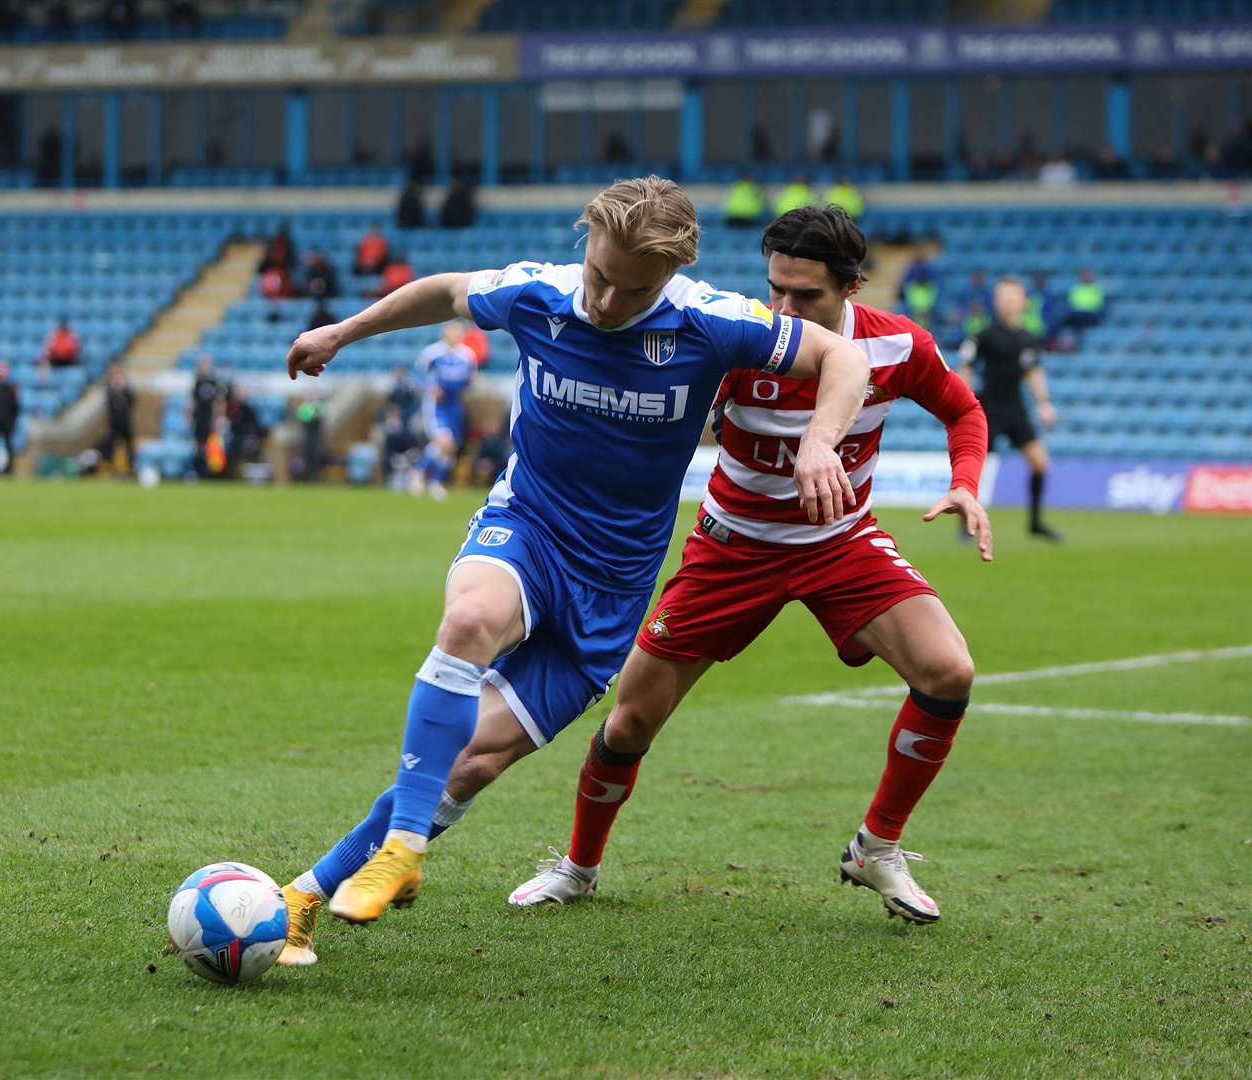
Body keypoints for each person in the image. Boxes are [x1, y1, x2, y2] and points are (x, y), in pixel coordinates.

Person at [273, 176, 869, 965]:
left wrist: (821, 439)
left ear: (671, 275)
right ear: (584, 246)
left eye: (634, 288)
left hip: (611, 589)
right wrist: (341, 333)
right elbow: (445, 293)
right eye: (599, 276)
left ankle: (308, 892)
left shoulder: (711, 321)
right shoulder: (539, 294)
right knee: (470, 620)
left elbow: (843, 356)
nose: (610, 301)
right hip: (529, 527)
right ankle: (406, 848)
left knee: (470, 760)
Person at [503, 206, 990, 924]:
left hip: (841, 543)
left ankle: (876, 847)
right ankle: (578, 865)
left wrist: (965, 481)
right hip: (731, 549)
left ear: (852, 288)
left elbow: (963, 411)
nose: (784, 308)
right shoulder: (739, 337)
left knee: (949, 672)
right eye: (776, 291)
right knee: (632, 721)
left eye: (806, 297)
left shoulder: (896, 347)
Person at [958, 277, 1062, 541]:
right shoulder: (984, 335)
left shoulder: (1028, 338)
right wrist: (962, 402)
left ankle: (1035, 522)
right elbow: (967, 367)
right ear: (996, 302)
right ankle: (965, 525)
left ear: (1024, 302)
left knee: (1040, 463)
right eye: (1004, 298)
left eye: (1013, 298)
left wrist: (1044, 404)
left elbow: (1034, 371)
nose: (1008, 303)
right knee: (975, 469)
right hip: (988, 407)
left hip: (1015, 408)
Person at [410, 321, 477, 501]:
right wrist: (430, 388)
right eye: (451, 331)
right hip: (436, 405)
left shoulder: (467, 355)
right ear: (444, 333)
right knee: (444, 442)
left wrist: (470, 384)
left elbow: (469, 380)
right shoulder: (432, 353)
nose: (454, 335)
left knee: (450, 447)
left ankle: (429, 479)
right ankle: (422, 474)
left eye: (458, 332)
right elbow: (417, 374)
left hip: (455, 405)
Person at [190, 354, 223, 477]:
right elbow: (193, 401)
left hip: (210, 419)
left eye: (206, 365)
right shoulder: (197, 382)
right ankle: (198, 471)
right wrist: (189, 415)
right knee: (198, 446)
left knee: (211, 447)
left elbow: (218, 402)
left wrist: (217, 418)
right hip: (199, 418)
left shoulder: (214, 383)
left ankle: (211, 473)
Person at [102, 363, 136, 476]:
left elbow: (132, 401)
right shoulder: (110, 390)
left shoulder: (126, 389)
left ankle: (130, 469)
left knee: (129, 447)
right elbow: (109, 404)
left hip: (125, 423)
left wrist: (123, 388)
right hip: (114, 424)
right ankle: (111, 468)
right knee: (111, 447)